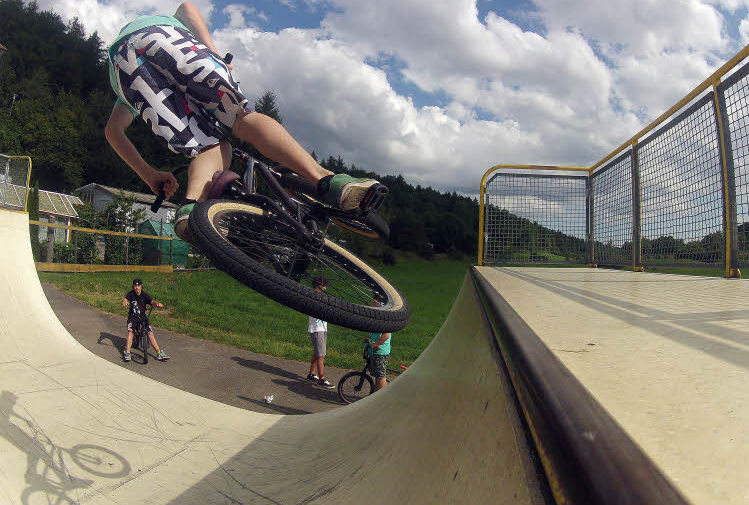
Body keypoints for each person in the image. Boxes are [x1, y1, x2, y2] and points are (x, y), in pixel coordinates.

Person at [104, 2, 384, 243]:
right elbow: (187, 8)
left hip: (123, 67)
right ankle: (327, 182)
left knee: (203, 146)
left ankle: (192, 210)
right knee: (239, 116)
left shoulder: (118, 81)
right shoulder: (160, 21)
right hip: (163, 37)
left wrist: (149, 174)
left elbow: (114, 131)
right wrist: (213, 53)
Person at [121, 278, 170, 362]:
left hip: (142, 317)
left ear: (141, 286)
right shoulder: (131, 294)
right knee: (131, 332)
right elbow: (126, 299)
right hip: (133, 317)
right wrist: (125, 302)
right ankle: (127, 353)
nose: (136, 287)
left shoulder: (144, 295)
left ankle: (159, 353)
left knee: (150, 333)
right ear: (133, 287)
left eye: (138, 286)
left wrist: (156, 304)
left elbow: (152, 301)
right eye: (135, 286)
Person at [306, 277, 334, 389]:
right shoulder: (315, 296)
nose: (326, 287)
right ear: (319, 285)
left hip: (321, 328)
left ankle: (311, 374)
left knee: (316, 352)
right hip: (317, 329)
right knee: (321, 355)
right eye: (324, 285)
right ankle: (322, 379)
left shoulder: (320, 296)